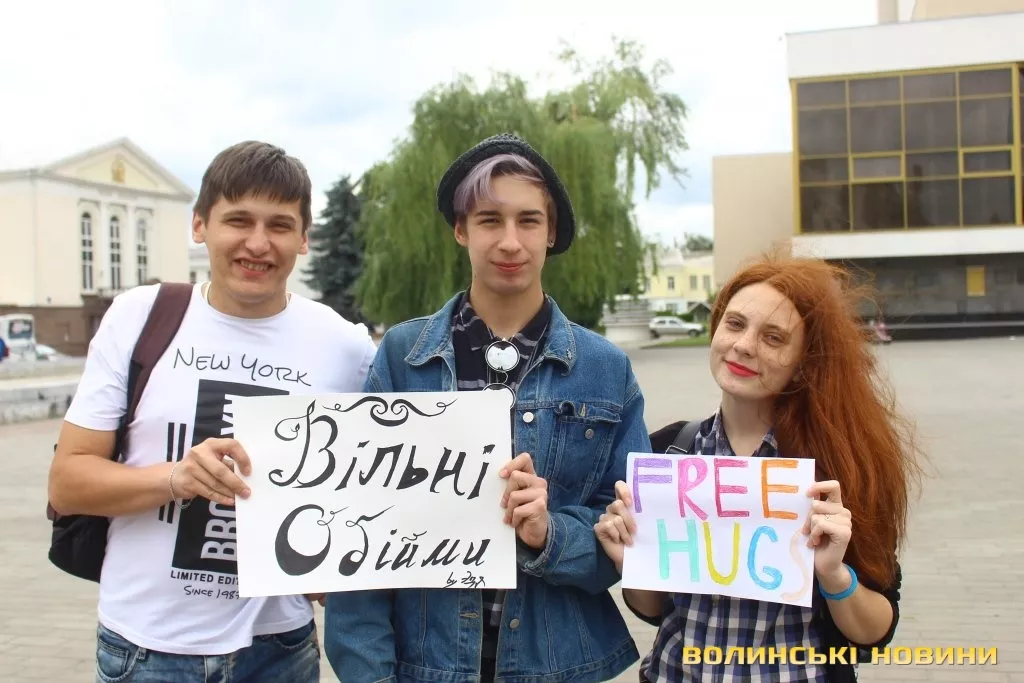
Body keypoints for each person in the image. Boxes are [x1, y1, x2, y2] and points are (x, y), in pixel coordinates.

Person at [323, 133, 651, 683]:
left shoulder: (606, 369)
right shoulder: (402, 358)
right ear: (461, 230)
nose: (510, 241)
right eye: (489, 220)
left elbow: (630, 537)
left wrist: (550, 533)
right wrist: (370, 674)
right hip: (422, 667)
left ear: (551, 233)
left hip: (560, 667)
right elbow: (357, 532)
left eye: (528, 221)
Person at [47, 141, 378, 683]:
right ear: (200, 225)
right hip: (147, 649)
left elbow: (374, 489)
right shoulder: (139, 317)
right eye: (238, 220)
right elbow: (67, 484)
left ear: (303, 238)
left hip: (279, 648)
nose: (258, 243)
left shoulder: (347, 347)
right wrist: (175, 478)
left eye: (279, 225)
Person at [595, 251, 923, 683]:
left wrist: (833, 574)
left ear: (804, 363)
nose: (745, 345)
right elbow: (655, 609)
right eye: (735, 324)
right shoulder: (670, 453)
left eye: (773, 338)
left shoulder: (837, 469)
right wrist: (633, 561)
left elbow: (874, 632)